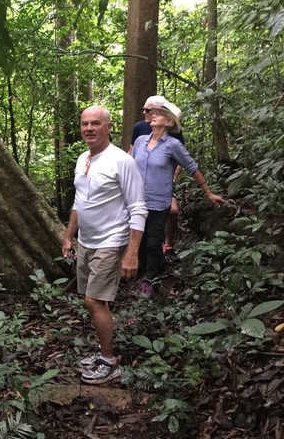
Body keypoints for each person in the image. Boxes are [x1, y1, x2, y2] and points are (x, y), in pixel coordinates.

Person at [62, 105, 147, 384]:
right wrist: (68, 235)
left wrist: (132, 253)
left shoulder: (122, 161)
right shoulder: (82, 158)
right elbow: (79, 201)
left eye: (96, 123)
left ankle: (109, 363)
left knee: (94, 300)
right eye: (85, 123)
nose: (89, 128)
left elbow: (138, 207)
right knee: (94, 301)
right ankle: (104, 352)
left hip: (112, 240)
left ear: (108, 127)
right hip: (87, 241)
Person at [131, 102, 224, 297]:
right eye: (153, 113)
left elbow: (192, 168)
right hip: (136, 202)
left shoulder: (173, 146)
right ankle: (144, 271)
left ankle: (149, 281)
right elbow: (128, 167)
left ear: (168, 122)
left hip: (158, 202)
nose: (153, 116)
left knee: (154, 241)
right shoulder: (140, 141)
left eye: (159, 114)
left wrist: (208, 192)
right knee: (139, 239)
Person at [128, 96, 184, 262]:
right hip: (139, 185)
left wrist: (172, 178)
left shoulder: (174, 136)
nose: (144, 113)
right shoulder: (139, 129)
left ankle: (168, 245)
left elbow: (181, 159)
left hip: (162, 184)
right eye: (144, 109)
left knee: (172, 211)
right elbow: (131, 153)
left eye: (148, 110)